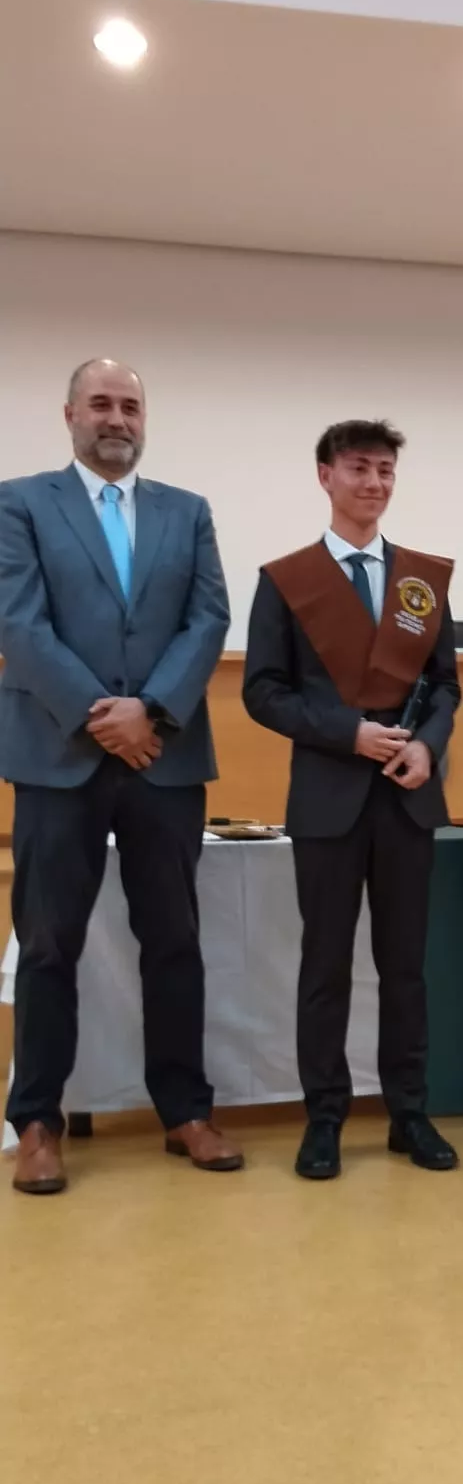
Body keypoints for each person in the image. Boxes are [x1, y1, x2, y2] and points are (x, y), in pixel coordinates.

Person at [0, 358, 240, 1194]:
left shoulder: (188, 512)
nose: (117, 418)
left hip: (164, 759)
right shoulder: (21, 502)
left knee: (174, 941)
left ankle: (185, 1113)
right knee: (48, 946)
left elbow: (209, 618)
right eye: (101, 403)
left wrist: (154, 713)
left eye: (131, 406)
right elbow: (19, 624)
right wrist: (103, 716)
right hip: (57, 756)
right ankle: (36, 1121)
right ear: (69, 412)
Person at [243, 418, 461, 1181]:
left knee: (406, 967)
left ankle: (409, 1112)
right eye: (359, 468)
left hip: (408, 796)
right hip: (329, 798)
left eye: (385, 471)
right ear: (325, 476)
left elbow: (442, 684)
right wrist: (349, 733)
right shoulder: (285, 580)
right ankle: (325, 1118)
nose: (373, 482)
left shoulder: (422, 578)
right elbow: (261, 693)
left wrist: (428, 746)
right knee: (325, 966)